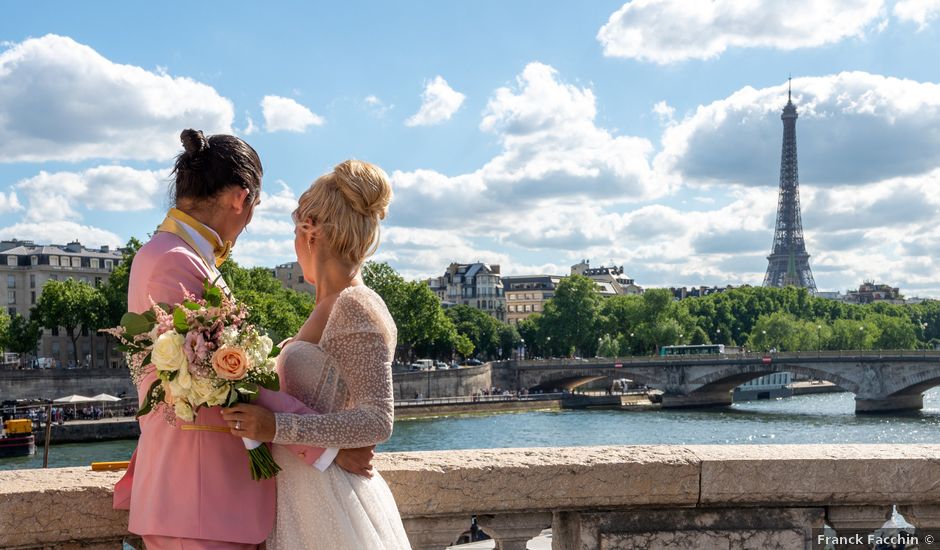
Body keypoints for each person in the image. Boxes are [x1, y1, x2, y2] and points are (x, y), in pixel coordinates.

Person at [113, 130, 376, 550]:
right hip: (200, 502)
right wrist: (324, 445)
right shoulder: (173, 261)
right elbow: (229, 379)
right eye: (255, 206)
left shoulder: (175, 255)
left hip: (202, 503)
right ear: (241, 197)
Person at [221, 160, 411, 549]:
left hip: (330, 501)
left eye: (294, 232)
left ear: (310, 231)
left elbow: (377, 420)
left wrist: (276, 427)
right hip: (309, 496)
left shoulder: (354, 303)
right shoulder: (333, 305)